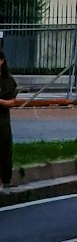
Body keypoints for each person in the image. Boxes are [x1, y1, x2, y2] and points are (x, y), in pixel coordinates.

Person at [0, 53, 18, 189]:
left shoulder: (8, 80)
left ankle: (6, 180)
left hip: (2, 122)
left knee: (5, 151)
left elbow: (12, 102)